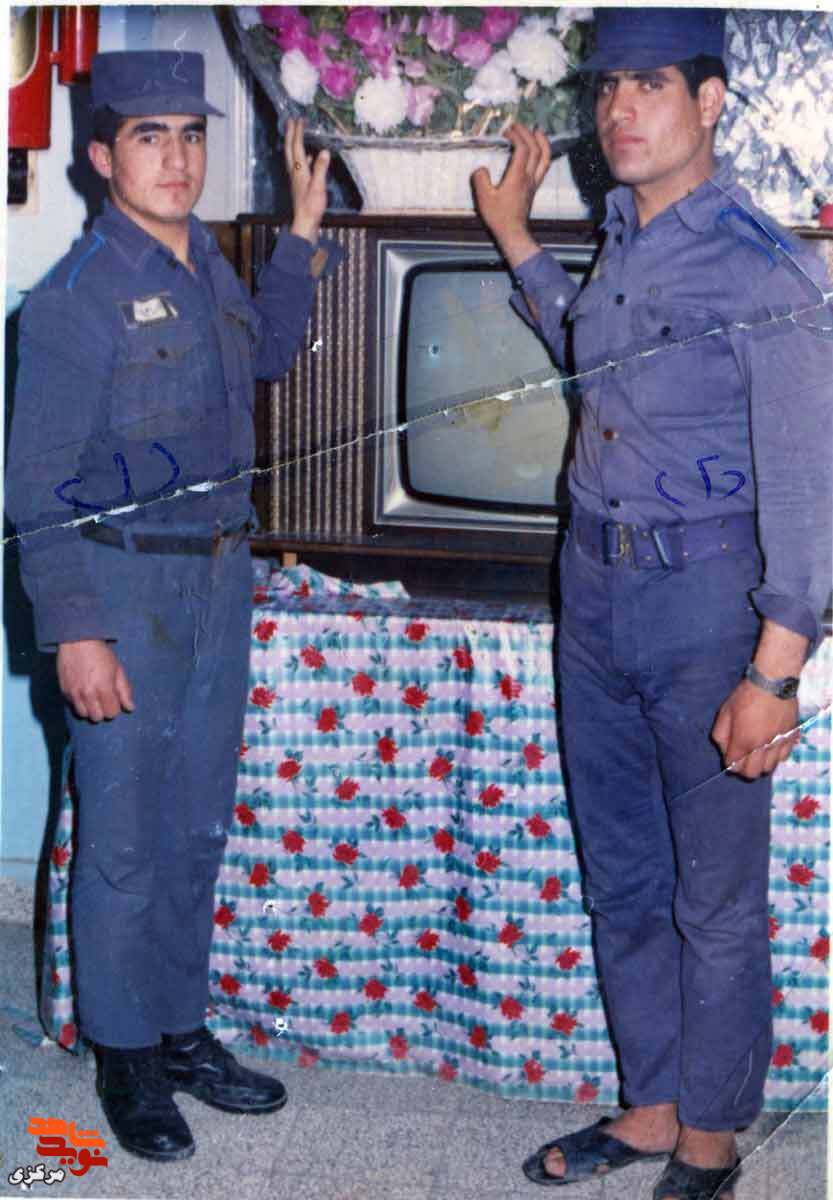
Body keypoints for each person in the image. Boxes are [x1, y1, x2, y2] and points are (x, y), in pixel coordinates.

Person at [472, 9, 832, 1200]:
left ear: (709, 101)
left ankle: (709, 1143)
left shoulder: (761, 265)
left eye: (651, 86)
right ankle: (651, 1104)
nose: (618, 110)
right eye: (606, 88)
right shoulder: (622, 236)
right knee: (620, 871)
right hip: (592, 593)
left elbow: (808, 487)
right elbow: (589, 355)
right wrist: (515, 235)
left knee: (711, 896)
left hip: (704, 606)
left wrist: (772, 670)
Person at [6, 50, 341, 1162]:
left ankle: (179, 1028)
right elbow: (35, 487)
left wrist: (299, 235)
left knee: (195, 824)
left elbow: (269, 352)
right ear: (102, 158)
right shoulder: (73, 301)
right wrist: (76, 630)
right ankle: (124, 1054)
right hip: (123, 589)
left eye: (191, 136)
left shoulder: (206, 267)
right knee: (122, 841)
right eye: (150, 137)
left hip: (217, 583)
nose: (177, 158)